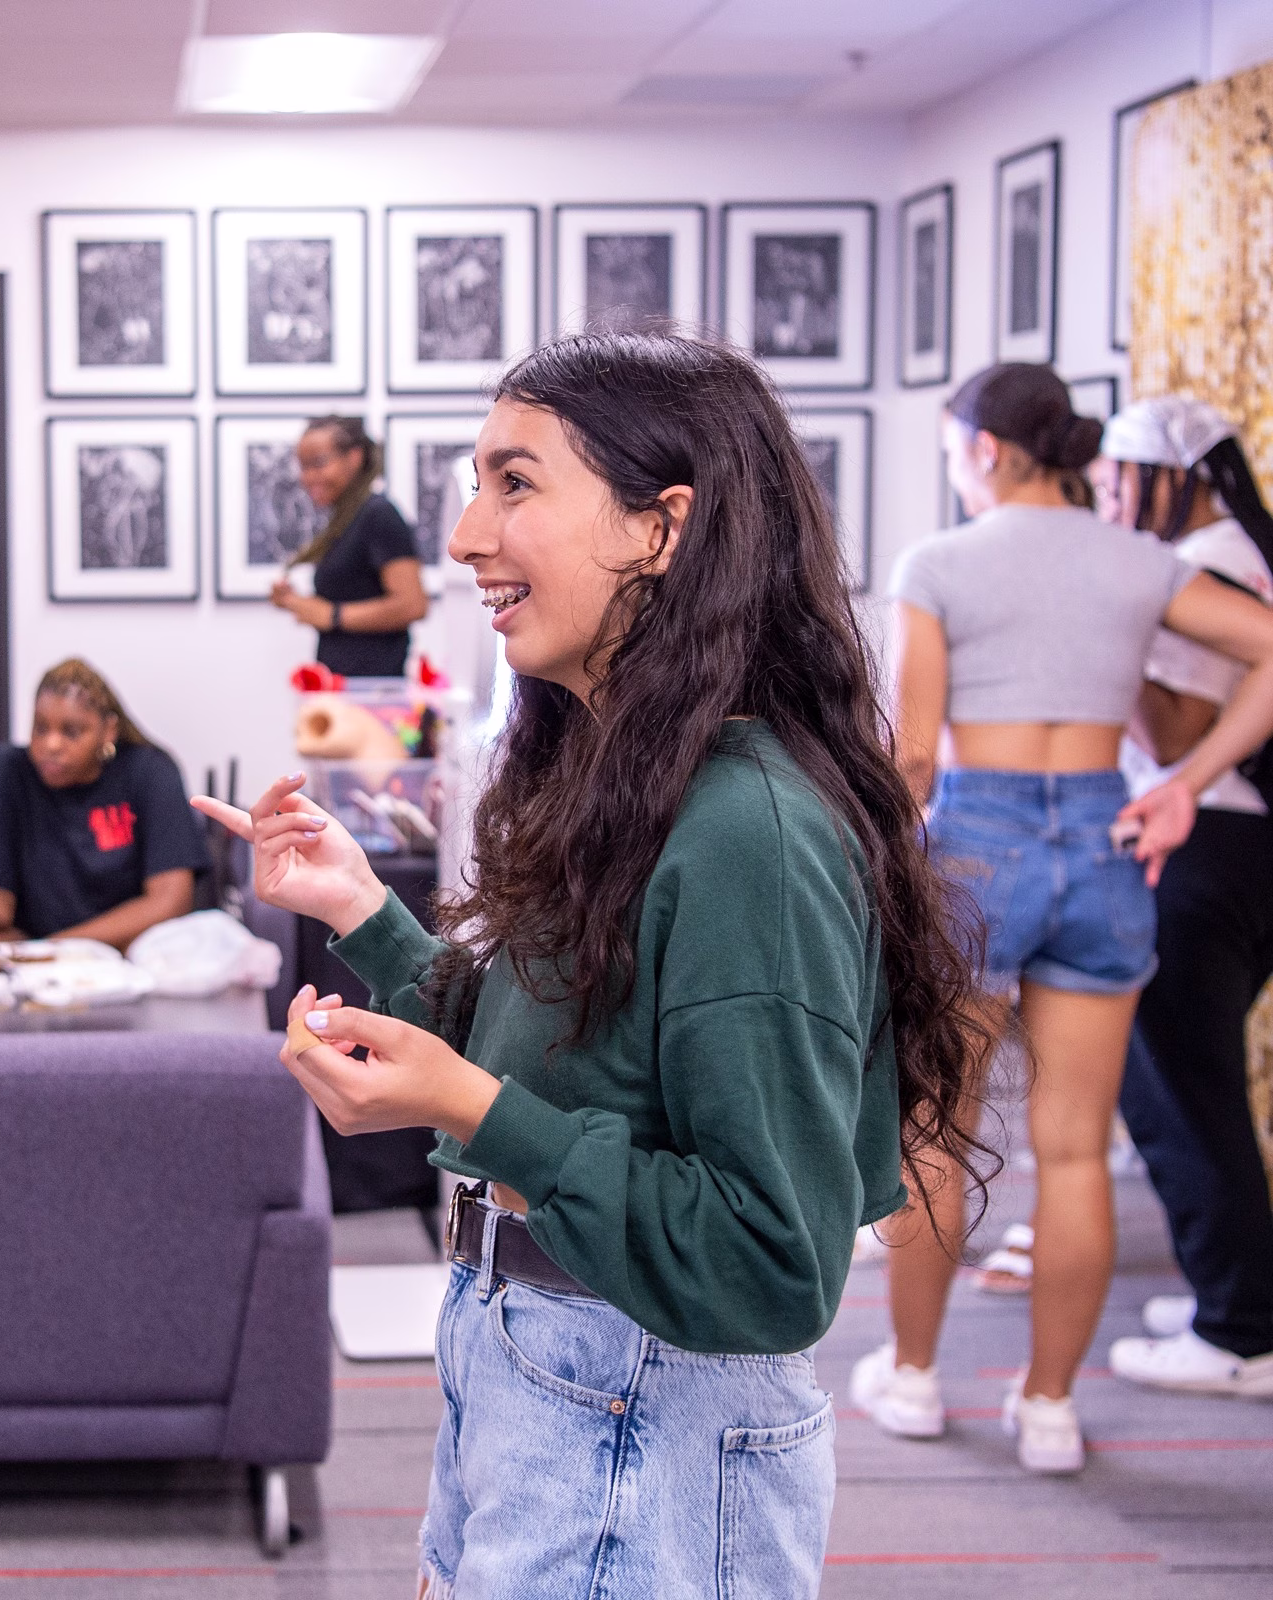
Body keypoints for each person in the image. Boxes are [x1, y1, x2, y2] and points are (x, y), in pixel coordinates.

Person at [199, 330, 986, 1597]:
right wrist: (366, 914)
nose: (463, 536)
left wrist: (468, 1111)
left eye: (516, 484)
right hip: (544, 1365)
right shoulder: (629, 774)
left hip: (636, 1404)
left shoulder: (746, 830)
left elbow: (770, 1263)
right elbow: (566, 1059)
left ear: (661, 528)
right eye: (475, 482)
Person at [861, 365, 1273, 1472]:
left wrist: (878, 871)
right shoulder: (1139, 559)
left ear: (988, 449)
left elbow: (909, 753)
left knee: (936, 1131)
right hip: (1103, 837)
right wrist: (1188, 777)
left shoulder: (939, 563)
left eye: (955, 448)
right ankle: (1047, 1406)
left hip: (981, 841)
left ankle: (910, 1378)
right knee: (1077, 1150)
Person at [1094, 396, 1273, 1398]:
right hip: (1243, 852)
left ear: (1174, 477)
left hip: (1200, 852)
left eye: (1124, 478)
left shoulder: (1200, 565)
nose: (1114, 501)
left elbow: (1169, 731)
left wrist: (1100, 633)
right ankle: (1235, 1289)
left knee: (1181, 1093)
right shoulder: (1239, 550)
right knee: (1189, 1085)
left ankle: (1239, 1329)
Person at [0, 659, 208, 979]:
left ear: (108, 730)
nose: (51, 745)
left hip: (125, 950)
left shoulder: (149, 772)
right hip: (32, 949)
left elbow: (170, 901)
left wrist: (61, 947)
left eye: (71, 732)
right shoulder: (6, 771)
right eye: (41, 729)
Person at [266, 416, 429, 678]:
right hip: (345, 687)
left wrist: (332, 615)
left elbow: (413, 605)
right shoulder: (346, 519)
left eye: (318, 463)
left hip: (372, 692)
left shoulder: (379, 514)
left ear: (354, 458)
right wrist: (294, 602)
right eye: (303, 467)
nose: (307, 477)